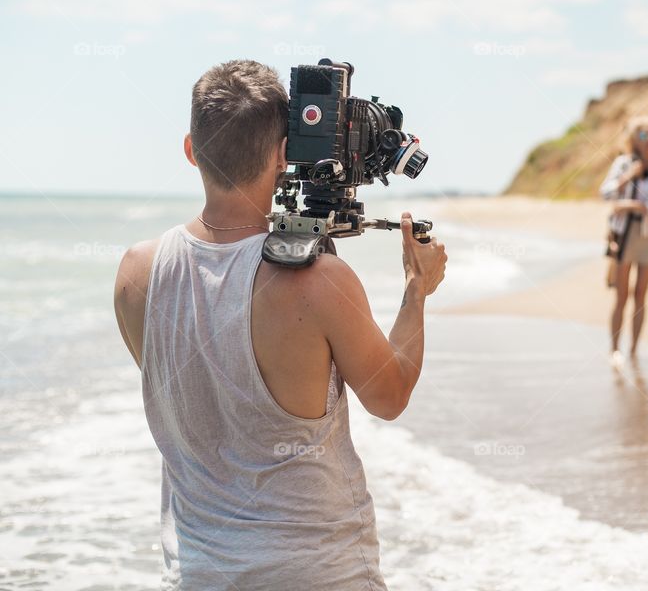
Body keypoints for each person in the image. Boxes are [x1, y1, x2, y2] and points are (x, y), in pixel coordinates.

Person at [113, 59, 447, 590]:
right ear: (285, 154)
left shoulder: (137, 271)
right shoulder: (319, 283)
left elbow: (203, 393)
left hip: (198, 575)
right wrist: (417, 288)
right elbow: (391, 395)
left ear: (191, 150)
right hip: (321, 574)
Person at [599, 114, 648, 365]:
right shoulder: (622, 164)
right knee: (621, 295)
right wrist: (629, 176)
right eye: (643, 135)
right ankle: (614, 349)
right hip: (623, 235)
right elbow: (606, 194)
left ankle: (633, 350)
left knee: (641, 296)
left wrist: (632, 205)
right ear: (634, 138)